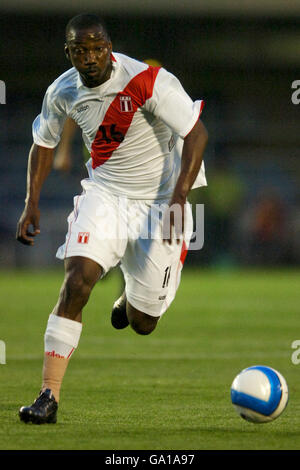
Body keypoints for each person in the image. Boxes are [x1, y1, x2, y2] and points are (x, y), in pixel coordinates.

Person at [16, 13, 208, 424]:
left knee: (143, 323)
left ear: (109, 47)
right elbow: (42, 143)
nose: (90, 57)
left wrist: (179, 197)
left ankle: (130, 299)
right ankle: (48, 395)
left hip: (160, 201)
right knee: (77, 280)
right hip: (105, 195)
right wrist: (31, 200)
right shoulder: (62, 90)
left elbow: (197, 133)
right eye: (80, 50)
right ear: (68, 52)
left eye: (97, 48)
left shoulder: (148, 81)